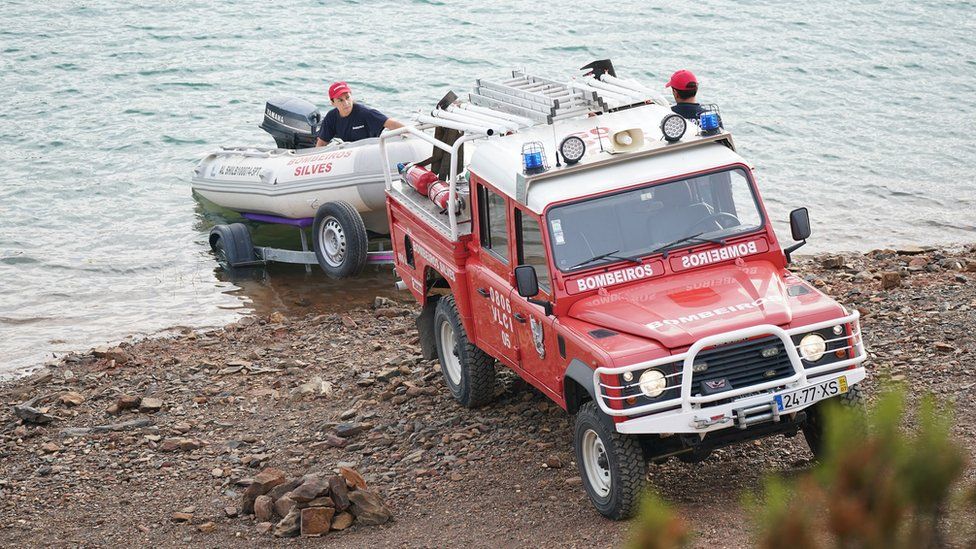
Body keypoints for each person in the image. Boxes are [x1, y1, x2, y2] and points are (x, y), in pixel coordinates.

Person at [315, 81, 404, 147]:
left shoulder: (365, 113)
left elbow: (391, 123)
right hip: (352, 149)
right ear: (333, 103)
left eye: (347, 97)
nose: (346, 103)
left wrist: (411, 135)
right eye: (340, 100)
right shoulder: (331, 117)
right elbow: (322, 142)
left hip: (373, 147)